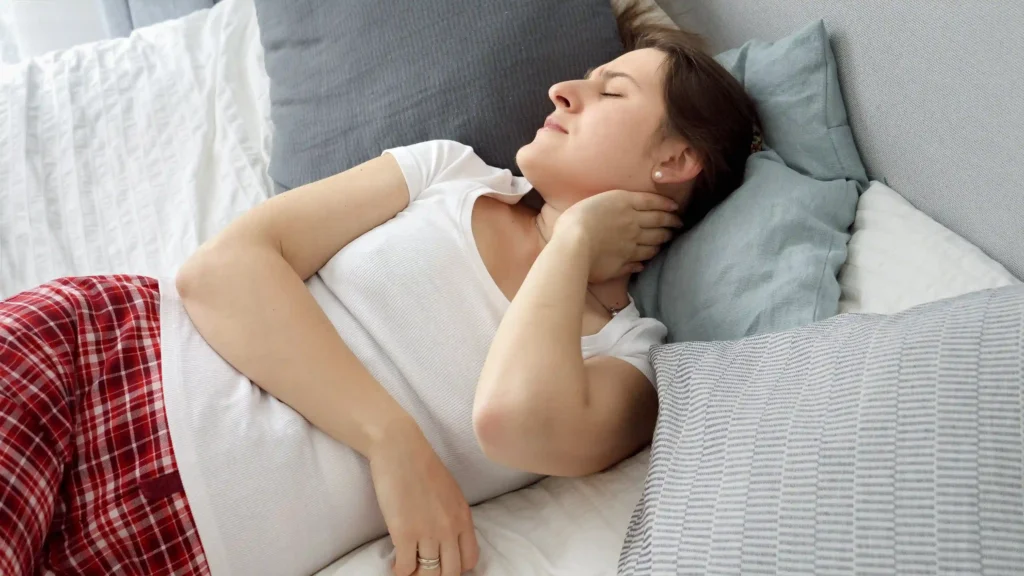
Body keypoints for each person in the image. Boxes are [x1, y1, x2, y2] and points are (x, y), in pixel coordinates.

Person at [0, 5, 759, 576]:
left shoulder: (632, 362)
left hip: (177, 550)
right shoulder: (446, 172)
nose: (562, 91)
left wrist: (578, 243)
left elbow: (514, 420)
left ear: (676, 158)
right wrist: (392, 443)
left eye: (610, 92)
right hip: (101, 366)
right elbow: (223, 271)